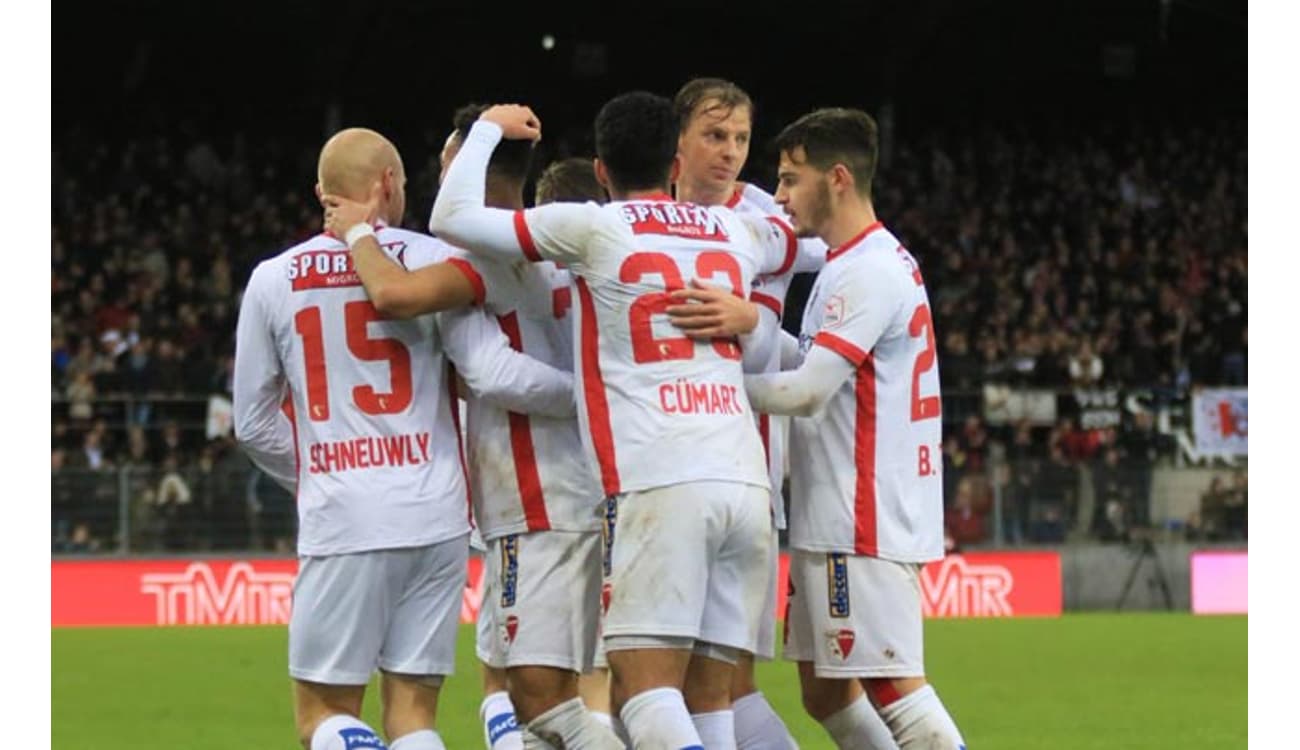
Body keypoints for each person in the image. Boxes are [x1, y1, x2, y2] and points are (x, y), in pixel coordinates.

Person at [344, 93, 791, 750]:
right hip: (740, 482)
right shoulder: (732, 230)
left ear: (602, 171)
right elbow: (791, 250)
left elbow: (430, 262)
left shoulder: (578, 234)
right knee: (707, 695)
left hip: (618, 485)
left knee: (627, 696)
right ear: (674, 159)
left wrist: (364, 226)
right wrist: (757, 318)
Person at [234, 127, 569, 750]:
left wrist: (319, 473)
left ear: (322, 192)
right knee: (414, 715)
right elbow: (485, 372)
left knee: (321, 715)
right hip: (436, 514)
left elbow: (252, 422)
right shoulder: (437, 259)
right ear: (389, 185)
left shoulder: (272, 279)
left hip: (343, 518)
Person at [663, 76, 883, 750]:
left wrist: (755, 326)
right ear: (678, 140)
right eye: (714, 135)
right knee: (653, 679)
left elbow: (852, 239)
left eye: (740, 138)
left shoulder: (772, 219)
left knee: (723, 684)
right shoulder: (641, 213)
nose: (729, 151)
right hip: (654, 470)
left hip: (743, 470)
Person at [742, 108, 966, 749]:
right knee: (823, 688)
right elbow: (818, 364)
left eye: (790, 179)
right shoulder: (856, 262)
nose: (780, 197)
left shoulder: (866, 270)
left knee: (891, 685)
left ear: (836, 178)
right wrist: (751, 329)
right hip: (837, 508)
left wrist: (706, 390)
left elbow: (809, 390)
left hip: (860, 515)